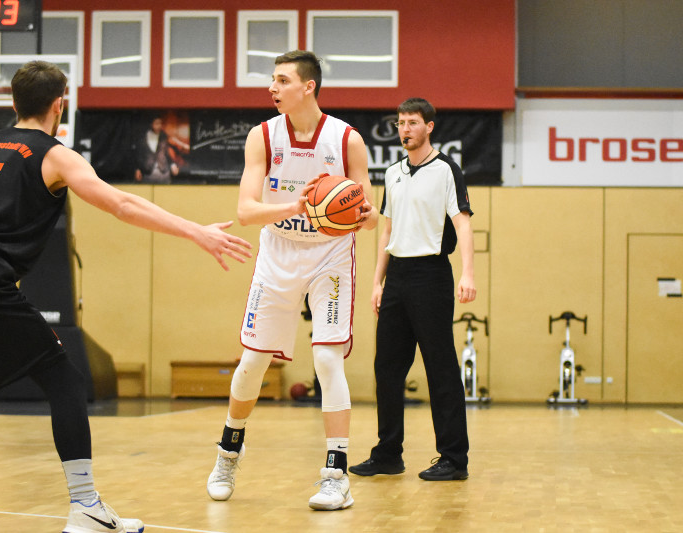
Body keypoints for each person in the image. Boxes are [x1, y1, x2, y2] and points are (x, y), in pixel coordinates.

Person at [0, 61, 251, 533]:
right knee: (65, 381)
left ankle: (89, 508)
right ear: (61, 103)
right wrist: (196, 231)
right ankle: (86, 508)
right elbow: (121, 203)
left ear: (13, 104)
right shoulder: (55, 155)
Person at [205, 50, 377, 511]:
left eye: (281, 80)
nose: (272, 88)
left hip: (330, 255)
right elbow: (245, 211)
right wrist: (295, 208)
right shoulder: (262, 136)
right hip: (278, 253)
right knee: (252, 364)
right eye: (273, 80)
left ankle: (336, 476)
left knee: (326, 359)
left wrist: (365, 215)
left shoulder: (347, 141)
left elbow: (369, 212)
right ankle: (228, 453)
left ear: (308, 87)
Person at [349, 97, 475, 482]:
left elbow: (464, 223)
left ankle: (453, 458)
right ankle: (388, 454)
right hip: (397, 278)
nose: (405, 129)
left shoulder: (447, 171)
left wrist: (468, 273)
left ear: (429, 127)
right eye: (401, 123)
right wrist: (376, 282)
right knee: (386, 369)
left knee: (441, 370)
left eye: (412, 123)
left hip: (431, 274)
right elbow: (387, 228)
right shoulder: (392, 173)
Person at [134, 115, 190, 184]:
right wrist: (137, 169)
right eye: (157, 123)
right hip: (148, 172)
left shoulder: (163, 136)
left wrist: (172, 165)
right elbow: (138, 155)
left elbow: (167, 153)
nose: (159, 126)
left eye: (160, 123)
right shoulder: (143, 138)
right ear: (151, 124)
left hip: (163, 172)